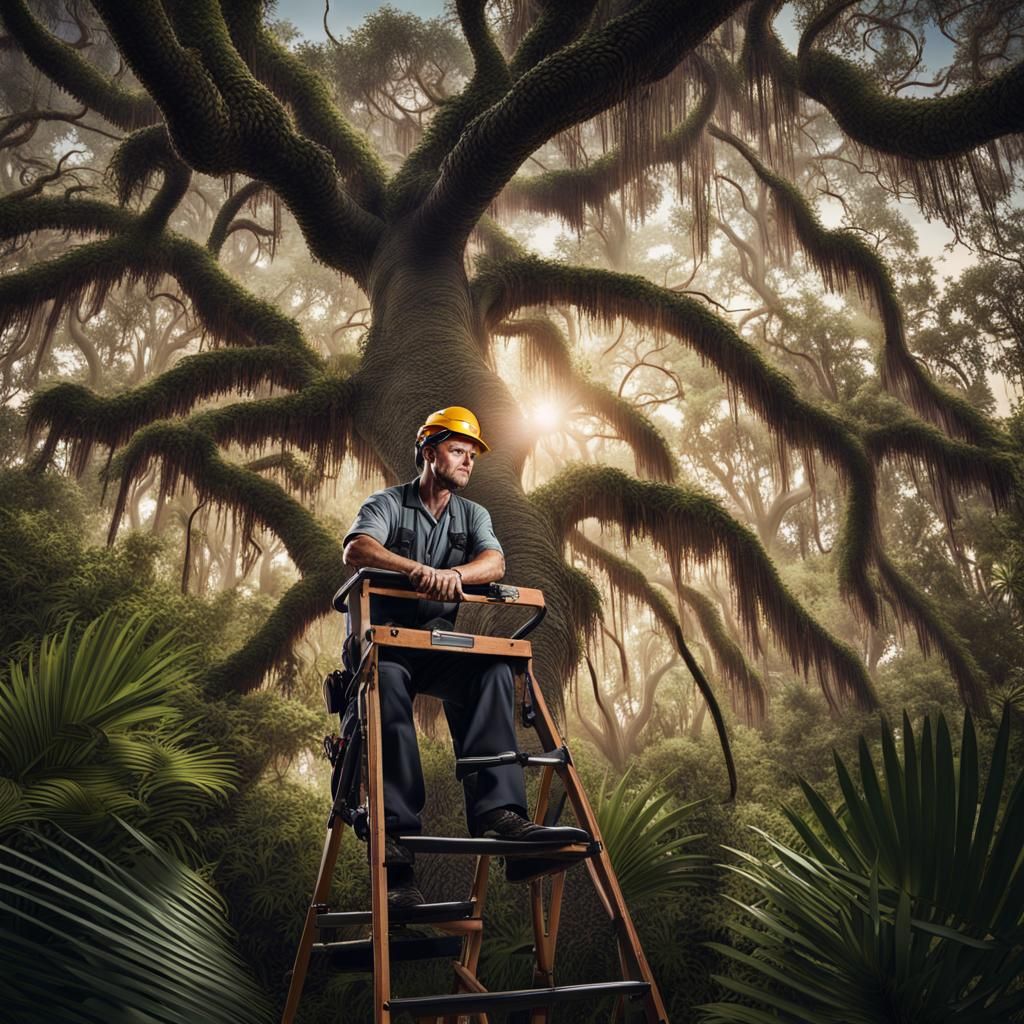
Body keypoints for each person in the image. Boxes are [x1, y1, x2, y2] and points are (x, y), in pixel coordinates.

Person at [342, 406, 584, 907]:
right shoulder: (388, 503)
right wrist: (415, 570)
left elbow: (494, 561)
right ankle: (397, 848)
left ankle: (500, 814)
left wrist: (456, 576)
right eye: (458, 451)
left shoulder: (473, 515)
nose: (468, 461)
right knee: (385, 686)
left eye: (472, 454)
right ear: (429, 452)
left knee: (492, 670)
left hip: (432, 641)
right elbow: (359, 551)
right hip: (383, 645)